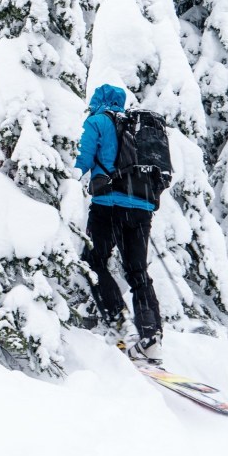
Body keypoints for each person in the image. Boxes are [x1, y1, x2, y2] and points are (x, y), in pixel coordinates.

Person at [74, 84, 163, 362]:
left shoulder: (98, 121)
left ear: (97, 101)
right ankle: (151, 337)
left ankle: (120, 323)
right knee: (138, 273)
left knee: (94, 261)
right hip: (142, 207)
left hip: (108, 205)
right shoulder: (136, 129)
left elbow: (82, 162)